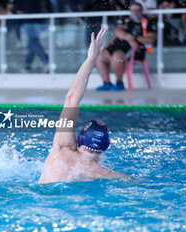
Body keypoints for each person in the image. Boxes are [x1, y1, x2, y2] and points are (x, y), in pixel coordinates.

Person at [38, 27, 131, 184]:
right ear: (106, 145)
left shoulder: (61, 149)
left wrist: (91, 59)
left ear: (80, 138)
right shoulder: (105, 173)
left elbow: (71, 98)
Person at [95, 2, 156, 91]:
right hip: (116, 46)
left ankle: (119, 83)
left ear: (141, 11)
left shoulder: (147, 23)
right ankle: (106, 83)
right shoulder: (126, 21)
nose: (135, 12)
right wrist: (129, 38)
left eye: (137, 10)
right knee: (100, 58)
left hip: (134, 51)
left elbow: (150, 39)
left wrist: (134, 38)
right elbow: (117, 31)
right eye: (132, 10)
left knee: (116, 57)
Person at [12, 0, 50, 73]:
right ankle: (27, 67)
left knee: (33, 42)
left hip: (31, 22)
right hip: (38, 22)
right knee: (31, 45)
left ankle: (47, 62)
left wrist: (23, 14)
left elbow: (14, 9)